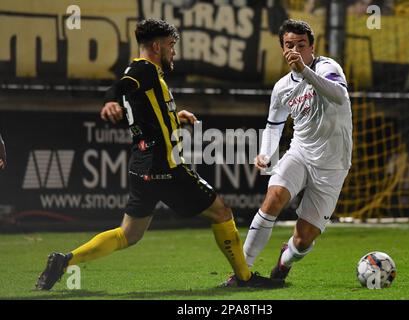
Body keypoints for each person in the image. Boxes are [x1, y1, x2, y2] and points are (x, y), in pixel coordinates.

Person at [36, 18, 282, 290]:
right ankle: (244, 279)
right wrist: (109, 99)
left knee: (128, 234)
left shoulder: (145, 74)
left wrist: (175, 115)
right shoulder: (144, 70)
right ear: (156, 46)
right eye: (170, 45)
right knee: (222, 212)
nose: (173, 51)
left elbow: (146, 110)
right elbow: (119, 87)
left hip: (142, 167)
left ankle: (64, 260)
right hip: (166, 166)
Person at [223, 19, 352, 285]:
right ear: (282, 48)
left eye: (301, 45)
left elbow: (339, 96)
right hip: (300, 153)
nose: (294, 50)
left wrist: (305, 71)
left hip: (333, 163)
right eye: (289, 45)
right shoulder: (282, 87)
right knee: (273, 199)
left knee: (303, 240)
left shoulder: (327, 67)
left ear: (312, 47)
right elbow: (274, 125)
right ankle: (241, 272)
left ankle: (285, 260)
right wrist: (266, 153)